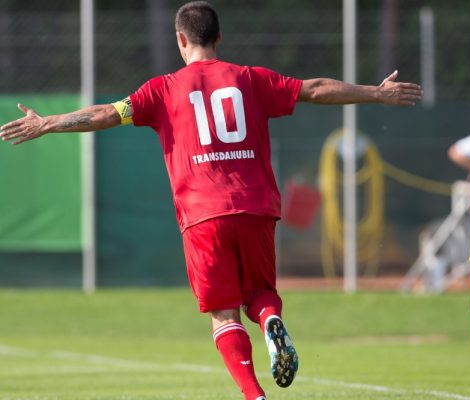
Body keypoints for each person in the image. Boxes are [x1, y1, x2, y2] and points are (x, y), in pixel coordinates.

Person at [0, 2, 422, 400]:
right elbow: (313, 88)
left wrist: (49, 123)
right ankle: (272, 320)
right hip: (256, 206)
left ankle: (254, 395)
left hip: (203, 215)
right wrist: (376, 92)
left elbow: (106, 114)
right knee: (260, 293)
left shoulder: (162, 89)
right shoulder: (251, 78)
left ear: (181, 41)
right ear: (219, 37)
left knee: (223, 315)